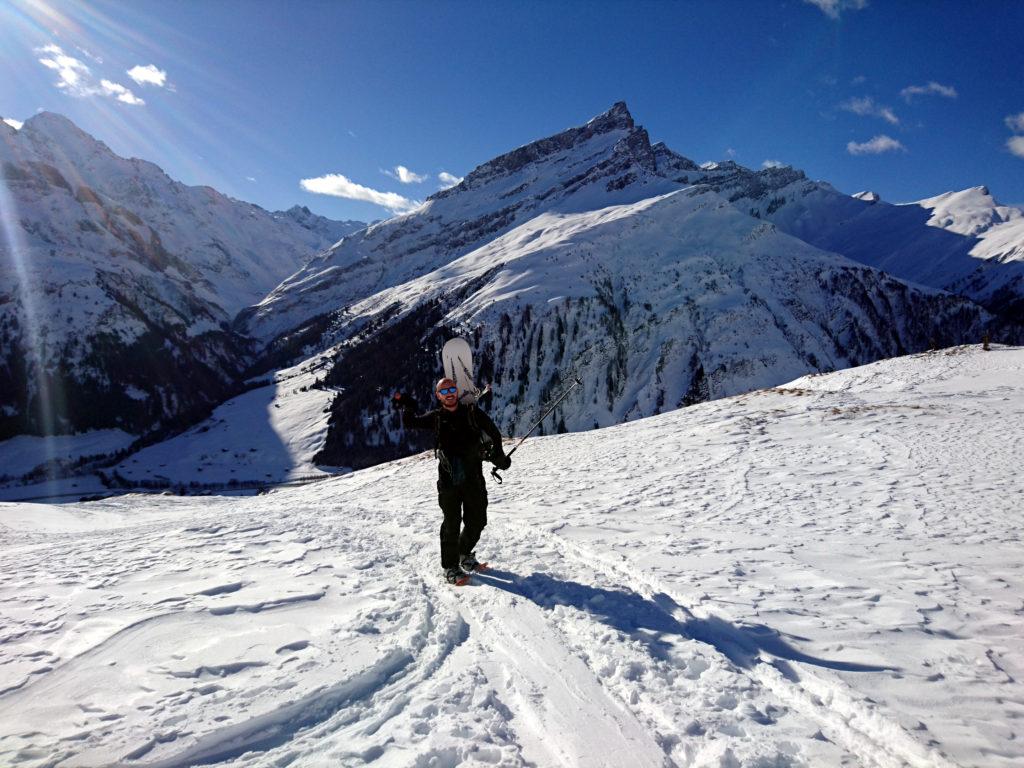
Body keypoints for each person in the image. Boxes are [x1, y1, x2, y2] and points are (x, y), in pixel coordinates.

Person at [393, 378, 511, 584]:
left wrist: (499, 456)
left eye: (451, 389)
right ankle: (450, 566)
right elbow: (411, 422)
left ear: (457, 391)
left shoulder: (472, 413)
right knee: (451, 523)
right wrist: (407, 405)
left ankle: (464, 553)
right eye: (443, 390)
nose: (448, 393)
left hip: (474, 477)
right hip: (449, 481)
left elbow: (493, 432)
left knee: (478, 521)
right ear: (438, 396)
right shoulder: (437, 417)